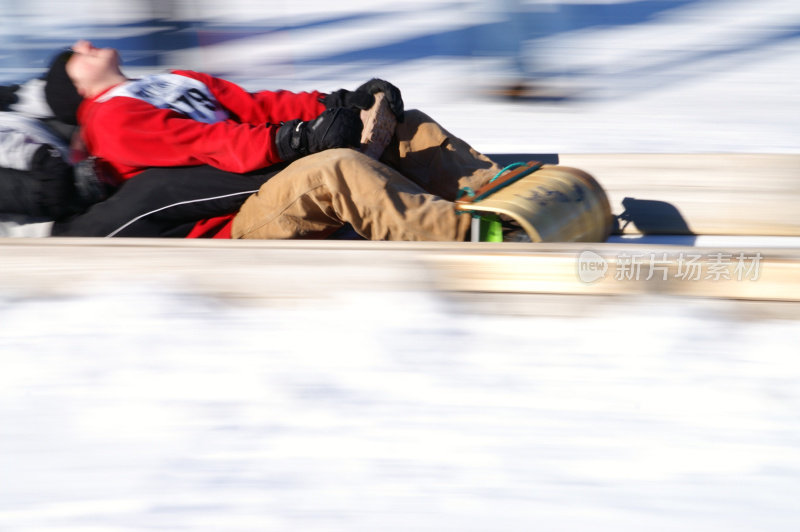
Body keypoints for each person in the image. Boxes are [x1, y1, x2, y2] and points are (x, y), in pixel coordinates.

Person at [45, 40, 504, 240]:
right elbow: (208, 143)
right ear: (76, 90)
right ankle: (477, 238)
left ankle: (501, 193)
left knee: (406, 125)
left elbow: (259, 106)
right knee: (336, 171)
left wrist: (336, 102)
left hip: (270, 175)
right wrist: (297, 141)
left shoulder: (169, 80)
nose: (84, 43)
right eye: (73, 55)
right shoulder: (110, 119)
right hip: (236, 218)